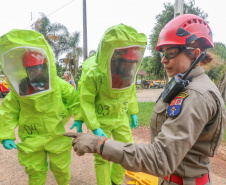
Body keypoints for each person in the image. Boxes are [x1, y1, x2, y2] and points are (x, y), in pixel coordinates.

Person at [64, 14, 226, 185]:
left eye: (170, 53)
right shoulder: (184, 84)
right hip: (172, 178)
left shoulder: (195, 96)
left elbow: (160, 158)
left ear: (195, 54)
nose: (163, 60)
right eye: (163, 54)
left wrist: (100, 145)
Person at [70, 23, 147, 185]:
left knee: (127, 151)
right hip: (101, 120)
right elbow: (85, 101)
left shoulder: (128, 74)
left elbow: (130, 91)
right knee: (102, 156)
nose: (129, 66)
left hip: (120, 118)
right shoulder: (94, 74)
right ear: (114, 58)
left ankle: (115, 181)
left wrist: (132, 112)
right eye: (126, 62)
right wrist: (93, 125)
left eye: (132, 63)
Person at [0, 29, 79, 185]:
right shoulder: (21, 88)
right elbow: (8, 111)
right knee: (35, 171)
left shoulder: (58, 85)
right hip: (31, 136)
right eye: (32, 69)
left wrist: (80, 117)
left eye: (39, 68)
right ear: (26, 70)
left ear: (46, 66)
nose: (36, 72)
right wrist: (6, 135)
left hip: (57, 135)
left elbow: (74, 100)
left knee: (61, 168)